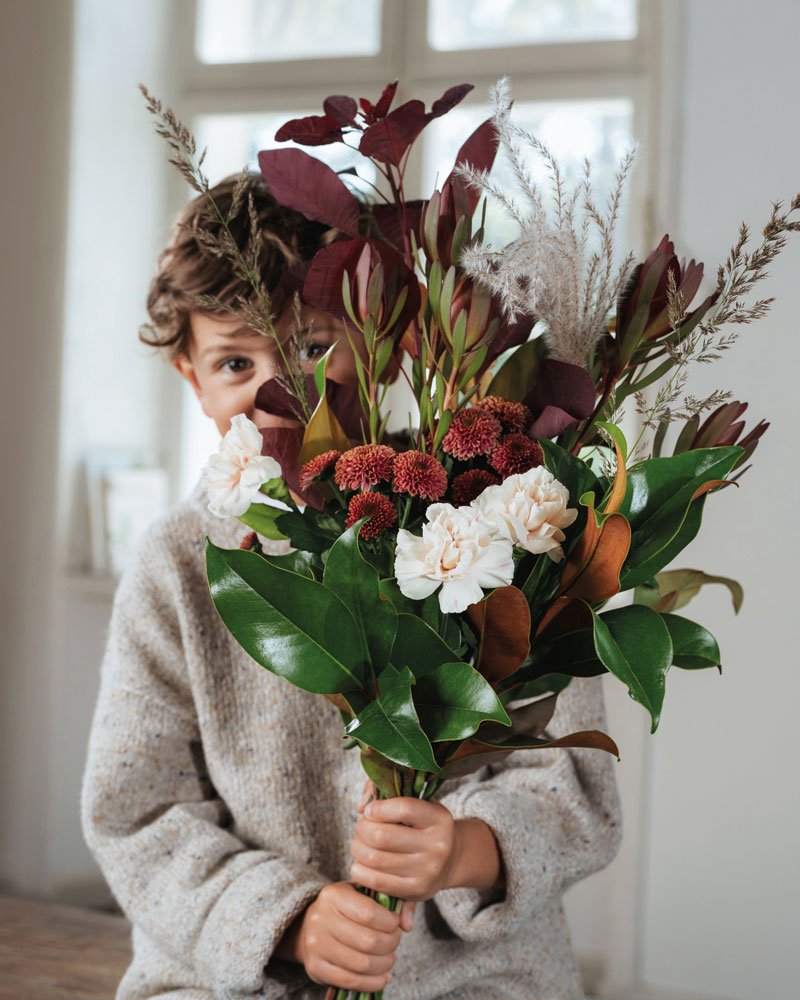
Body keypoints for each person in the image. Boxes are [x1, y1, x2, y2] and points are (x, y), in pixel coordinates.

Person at [81, 172, 623, 1000]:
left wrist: (458, 849)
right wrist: (290, 922)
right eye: (236, 361)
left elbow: (577, 791)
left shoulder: (490, 520)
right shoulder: (175, 566)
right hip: (242, 975)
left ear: (385, 341)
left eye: (309, 348)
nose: (281, 395)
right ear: (192, 377)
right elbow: (138, 813)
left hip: (476, 977)